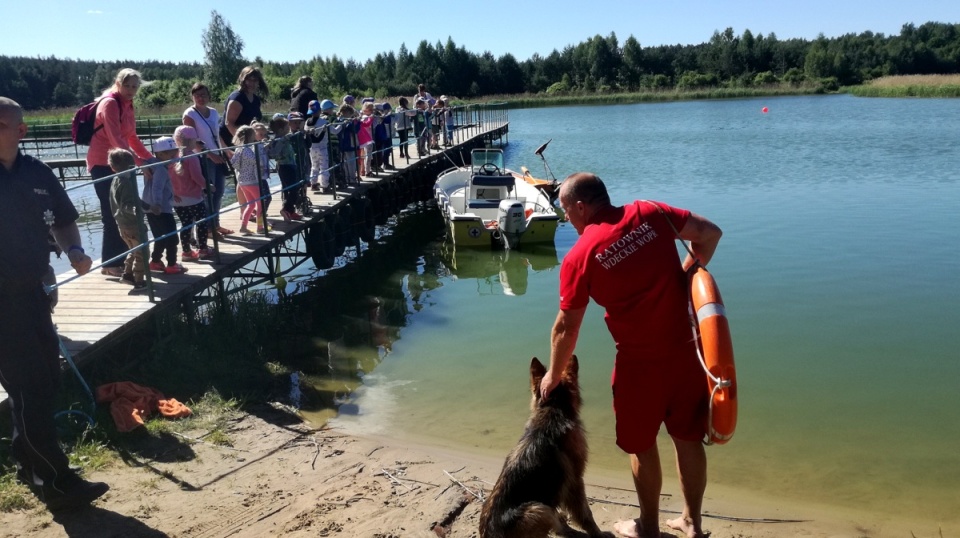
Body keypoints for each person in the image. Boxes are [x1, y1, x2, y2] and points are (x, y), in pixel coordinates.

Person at [538, 173, 722, 538]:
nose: (566, 220)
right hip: (688, 355)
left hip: (638, 366)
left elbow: (566, 328)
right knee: (687, 438)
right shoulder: (652, 212)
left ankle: (649, 528)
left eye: (565, 212)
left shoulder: (579, 257)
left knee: (641, 446)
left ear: (580, 206)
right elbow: (710, 234)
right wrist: (687, 275)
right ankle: (692, 523)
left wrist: (553, 375)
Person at [0, 96, 108, 510]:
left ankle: (28, 461)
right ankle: (57, 482)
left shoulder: (38, 173)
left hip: (34, 292)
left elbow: (63, 218)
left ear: (21, 131)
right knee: (29, 386)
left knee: (45, 378)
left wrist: (76, 250)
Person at [85, 68, 153, 277]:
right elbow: (115, 139)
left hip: (121, 164)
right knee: (111, 212)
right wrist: (139, 163)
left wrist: (151, 159)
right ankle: (110, 263)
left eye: (135, 86)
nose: (131, 90)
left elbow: (131, 137)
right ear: (118, 83)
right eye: (127, 85)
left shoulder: (127, 105)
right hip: (103, 163)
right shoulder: (110, 103)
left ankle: (124, 260)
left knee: (124, 211)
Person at [182, 82, 232, 237]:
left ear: (209, 96)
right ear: (192, 97)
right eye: (197, 95)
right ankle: (207, 228)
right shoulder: (190, 114)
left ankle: (215, 224)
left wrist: (226, 151)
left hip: (218, 156)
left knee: (219, 192)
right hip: (202, 158)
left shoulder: (214, 112)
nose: (200, 98)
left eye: (203, 94)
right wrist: (210, 155)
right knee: (208, 193)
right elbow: (191, 140)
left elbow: (216, 135)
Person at [142, 136, 186, 274]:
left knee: (159, 237)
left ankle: (155, 262)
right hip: (160, 209)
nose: (174, 155)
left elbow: (160, 186)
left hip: (148, 208)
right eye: (170, 153)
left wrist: (173, 194)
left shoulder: (152, 165)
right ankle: (171, 264)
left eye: (175, 151)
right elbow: (157, 188)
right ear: (160, 154)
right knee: (172, 238)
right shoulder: (161, 169)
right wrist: (157, 204)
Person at [170, 126, 212, 261]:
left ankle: (186, 252)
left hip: (177, 199)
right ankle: (203, 249)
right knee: (201, 222)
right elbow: (196, 177)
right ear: (193, 141)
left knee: (186, 224)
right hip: (194, 198)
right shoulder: (192, 157)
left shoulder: (171, 156)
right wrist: (208, 186)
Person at [107, 149, 147, 289]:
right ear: (132, 166)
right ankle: (139, 280)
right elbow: (127, 204)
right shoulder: (127, 183)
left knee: (132, 250)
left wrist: (145, 205)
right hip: (132, 223)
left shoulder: (115, 180)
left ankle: (127, 275)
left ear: (112, 168)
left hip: (121, 224)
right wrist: (137, 210)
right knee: (142, 252)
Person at [220, 65, 268, 148]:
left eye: (255, 80)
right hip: (231, 143)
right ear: (242, 80)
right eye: (248, 79)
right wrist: (243, 144)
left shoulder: (256, 99)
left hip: (248, 142)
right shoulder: (237, 98)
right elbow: (228, 123)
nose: (251, 83)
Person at [267, 115, 303, 221]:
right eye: (287, 128)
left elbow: (294, 134)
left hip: (291, 165)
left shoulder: (285, 138)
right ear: (281, 130)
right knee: (293, 189)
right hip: (285, 167)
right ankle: (285, 209)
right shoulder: (278, 140)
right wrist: (283, 140)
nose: (289, 130)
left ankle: (290, 211)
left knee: (292, 188)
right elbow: (274, 153)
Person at [230, 126, 264, 235]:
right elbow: (256, 161)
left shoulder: (238, 149)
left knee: (251, 204)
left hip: (242, 181)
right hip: (251, 181)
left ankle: (244, 226)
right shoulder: (247, 150)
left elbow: (234, 162)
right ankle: (260, 227)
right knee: (260, 203)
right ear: (249, 136)